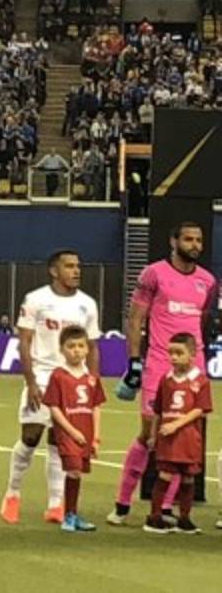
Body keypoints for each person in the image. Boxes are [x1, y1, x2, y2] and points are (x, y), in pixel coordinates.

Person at [109, 222, 217, 526]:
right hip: (159, 365)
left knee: (184, 437)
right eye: (188, 239)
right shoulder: (153, 274)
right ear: (174, 241)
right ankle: (122, 503)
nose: (195, 245)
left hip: (194, 370)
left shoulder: (207, 281)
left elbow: (202, 320)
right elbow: (135, 318)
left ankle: (165, 510)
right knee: (150, 435)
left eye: (199, 240)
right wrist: (134, 361)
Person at [0, 250, 101, 525]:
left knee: (61, 443)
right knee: (31, 437)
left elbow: (92, 346)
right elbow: (24, 341)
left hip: (73, 380)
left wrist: (93, 381)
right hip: (44, 376)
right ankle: (12, 494)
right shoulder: (36, 299)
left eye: (78, 266)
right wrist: (30, 381)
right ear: (54, 271)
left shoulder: (87, 304)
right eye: (69, 266)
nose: (76, 271)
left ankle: (56, 504)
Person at [143, 333, 211, 534]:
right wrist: (154, 435)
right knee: (164, 474)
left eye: (179, 353)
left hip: (189, 437)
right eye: (170, 353)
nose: (173, 357)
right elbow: (159, 410)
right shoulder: (166, 380)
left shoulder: (200, 381)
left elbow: (200, 409)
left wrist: (177, 424)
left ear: (192, 354)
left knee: (188, 477)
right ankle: (154, 517)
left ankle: (184, 518)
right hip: (168, 438)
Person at [43, 326, 105, 533]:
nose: (76, 350)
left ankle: (73, 514)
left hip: (86, 433)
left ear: (87, 349)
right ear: (62, 349)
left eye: (80, 346)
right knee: (74, 470)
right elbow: (54, 407)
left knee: (77, 474)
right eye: (71, 346)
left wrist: (95, 436)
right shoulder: (59, 376)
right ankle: (68, 515)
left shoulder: (92, 379)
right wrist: (71, 431)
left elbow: (96, 407)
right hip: (69, 434)